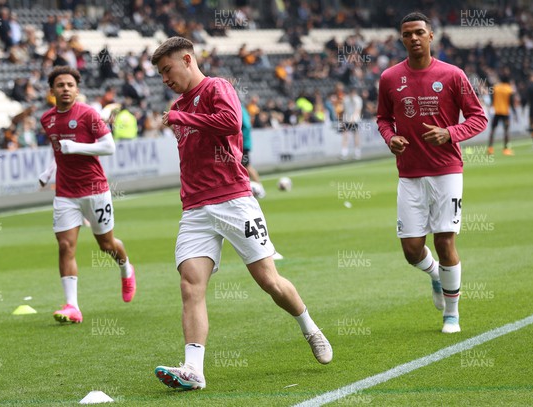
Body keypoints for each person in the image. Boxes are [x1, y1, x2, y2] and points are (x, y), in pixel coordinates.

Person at [150, 37, 332, 391]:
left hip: (234, 199)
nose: (164, 79)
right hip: (196, 209)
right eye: (160, 73)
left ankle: (309, 327)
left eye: (167, 70)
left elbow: (230, 123)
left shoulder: (217, 87)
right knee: (190, 285)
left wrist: (180, 116)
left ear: (187, 60)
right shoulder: (179, 105)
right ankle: (194, 370)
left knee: (269, 281)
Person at [376, 12, 487, 334]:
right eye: (407, 34)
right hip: (409, 173)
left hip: (446, 170)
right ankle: (436, 276)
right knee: (411, 250)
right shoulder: (389, 78)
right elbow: (383, 118)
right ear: (402, 39)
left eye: (419, 32)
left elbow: (478, 118)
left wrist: (450, 133)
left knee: (444, 241)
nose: (413, 38)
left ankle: (451, 314)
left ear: (431, 36)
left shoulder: (452, 75)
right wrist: (390, 137)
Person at [38, 66, 137, 324]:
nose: (66, 89)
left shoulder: (88, 114)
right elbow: (59, 151)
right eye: (60, 85)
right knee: (65, 246)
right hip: (65, 192)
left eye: (70, 85)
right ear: (52, 91)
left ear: (77, 89)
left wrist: (77, 147)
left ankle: (126, 267)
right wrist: (48, 172)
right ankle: (72, 305)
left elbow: (109, 147)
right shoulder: (47, 119)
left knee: (106, 245)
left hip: (95, 189)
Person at [487, 74, 517, 156]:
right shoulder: (509, 89)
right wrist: (515, 113)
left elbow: (492, 98)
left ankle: (490, 149)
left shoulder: (496, 87)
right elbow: (511, 102)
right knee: (506, 131)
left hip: (496, 111)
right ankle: (506, 149)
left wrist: (491, 106)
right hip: (505, 112)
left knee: (492, 131)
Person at [341, 87, 363, 160]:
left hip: (355, 120)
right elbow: (344, 110)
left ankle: (357, 152)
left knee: (356, 135)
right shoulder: (345, 99)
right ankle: (344, 153)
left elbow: (358, 110)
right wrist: (343, 120)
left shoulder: (358, 99)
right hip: (347, 120)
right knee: (345, 135)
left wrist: (353, 119)